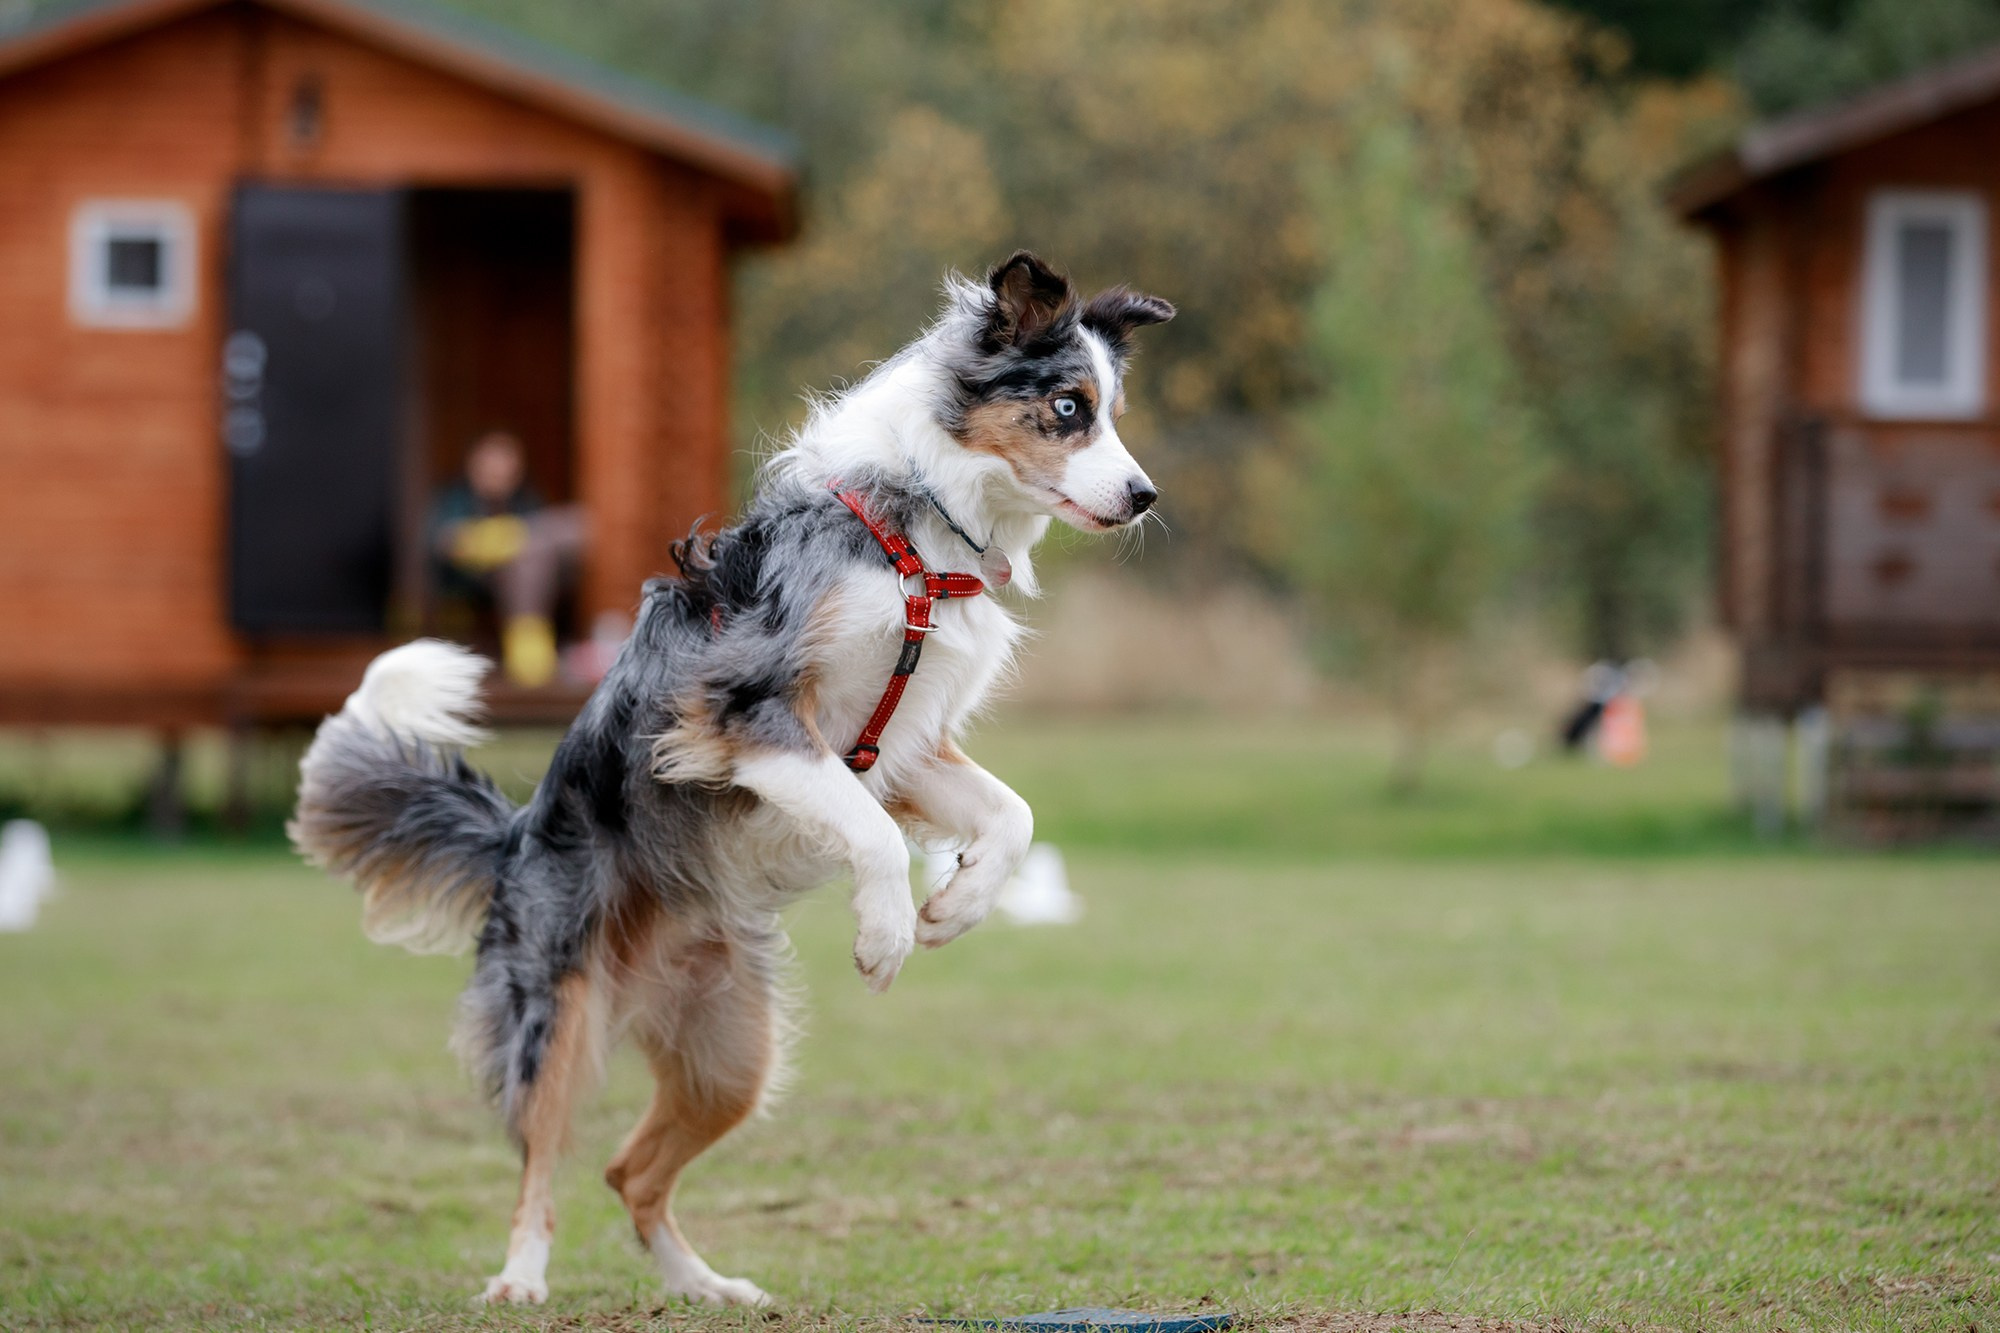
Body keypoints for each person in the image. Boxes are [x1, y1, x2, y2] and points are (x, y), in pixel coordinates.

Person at [429, 431, 586, 687]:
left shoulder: (525, 498)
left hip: (523, 574)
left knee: (555, 538)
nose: (500, 470)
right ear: (475, 464)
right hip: (475, 577)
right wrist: (478, 543)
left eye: (507, 463)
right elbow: (441, 542)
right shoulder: (456, 498)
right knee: (541, 542)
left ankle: (509, 540)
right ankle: (529, 642)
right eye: (493, 462)